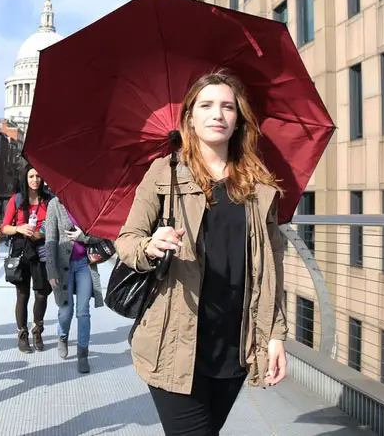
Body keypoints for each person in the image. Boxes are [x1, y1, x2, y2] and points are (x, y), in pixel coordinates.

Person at [116, 72, 288, 436]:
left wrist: (275, 336)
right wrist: (151, 245)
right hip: (175, 342)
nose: (218, 114)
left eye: (228, 106)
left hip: (235, 346)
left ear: (239, 118)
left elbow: (272, 268)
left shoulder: (259, 186)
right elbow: (127, 240)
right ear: (189, 117)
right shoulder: (165, 173)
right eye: (206, 105)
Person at [44, 197, 105, 373]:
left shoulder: (87, 202)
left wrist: (83, 237)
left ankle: (83, 353)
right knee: (66, 310)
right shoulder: (55, 204)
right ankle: (62, 337)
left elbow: (99, 235)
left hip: (84, 265)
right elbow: (50, 240)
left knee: (83, 311)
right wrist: (51, 271)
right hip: (63, 268)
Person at [1, 164, 51, 353]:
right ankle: (22, 335)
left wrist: (42, 233)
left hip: (41, 248)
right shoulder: (17, 199)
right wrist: (19, 229)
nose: (35, 180)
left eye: (38, 176)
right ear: (26, 178)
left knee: (42, 293)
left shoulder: (49, 201)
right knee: (23, 295)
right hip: (21, 248)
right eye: (31, 176)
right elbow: (4, 227)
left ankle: (37, 330)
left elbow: (55, 224)